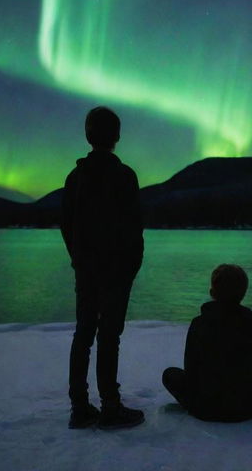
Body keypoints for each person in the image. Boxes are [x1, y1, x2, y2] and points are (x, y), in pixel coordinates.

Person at [61, 106, 144, 430]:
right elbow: (134, 227)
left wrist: (78, 258)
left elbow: (66, 224)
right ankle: (110, 406)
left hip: (87, 268)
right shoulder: (124, 176)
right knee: (109, 336)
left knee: (84, 333)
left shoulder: (75, 178)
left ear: (88, 135)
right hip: (115, 270)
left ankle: (79, 407)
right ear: (117, 137)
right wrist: (131, 265)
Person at [162, 264, 252, 422]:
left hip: (205, 408)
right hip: (246, 409)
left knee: (170, 375)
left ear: (212, 292)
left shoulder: (199, 324)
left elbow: (191, 370)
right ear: (243, 294)